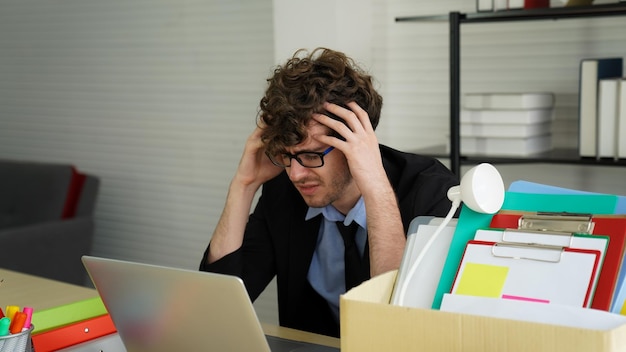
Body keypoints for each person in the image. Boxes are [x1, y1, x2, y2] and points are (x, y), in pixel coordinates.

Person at [199, 47, 459, 337]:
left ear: (355, 142)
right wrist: (244, 184)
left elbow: (402, 323)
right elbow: (217, 308)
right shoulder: (283, 191)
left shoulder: (435, 194)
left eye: (311, 155)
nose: (295, 174)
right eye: (285, 156)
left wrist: (375, 189)